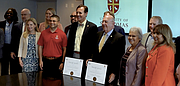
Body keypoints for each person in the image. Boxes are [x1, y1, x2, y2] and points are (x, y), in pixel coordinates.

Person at [86, 11, 125, 85]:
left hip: (109, 73)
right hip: (96, 72)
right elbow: (94, 50)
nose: (103, 24)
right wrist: (90, 58)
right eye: (103, 21)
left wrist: (114, 73)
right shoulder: (98, 34)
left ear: (113, 23)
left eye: (106, 22)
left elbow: (118, 58)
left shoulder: (119, 38)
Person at [66, 4, 98, 78]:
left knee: (83, 77)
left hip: (84, 58)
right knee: (72, 77)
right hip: (73, 56)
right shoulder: (73, 26)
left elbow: (94, 45)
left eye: (80, 13)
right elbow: (70, 43)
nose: (78, 15)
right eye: (77, 12)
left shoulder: (92, 27)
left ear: (86, 14)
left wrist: (91, 58)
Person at [10, 8, 32, 74]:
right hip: (18, 52)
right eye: (22, 15)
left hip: (29, 54)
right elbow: (13, 39)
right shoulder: (16, 26)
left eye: (25, 15)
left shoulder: (34, 26)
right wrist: (12, 51)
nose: (23, 16)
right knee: (17, 71)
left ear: (29, 15)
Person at [0, 8, 19, 75]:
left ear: (14, 15)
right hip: (4, 47)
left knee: (14, 67)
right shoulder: (1, 24)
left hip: (13, 48)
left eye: (11, 13)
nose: (9, 15)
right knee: (4, 66)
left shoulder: (17, 25)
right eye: (8, 13)